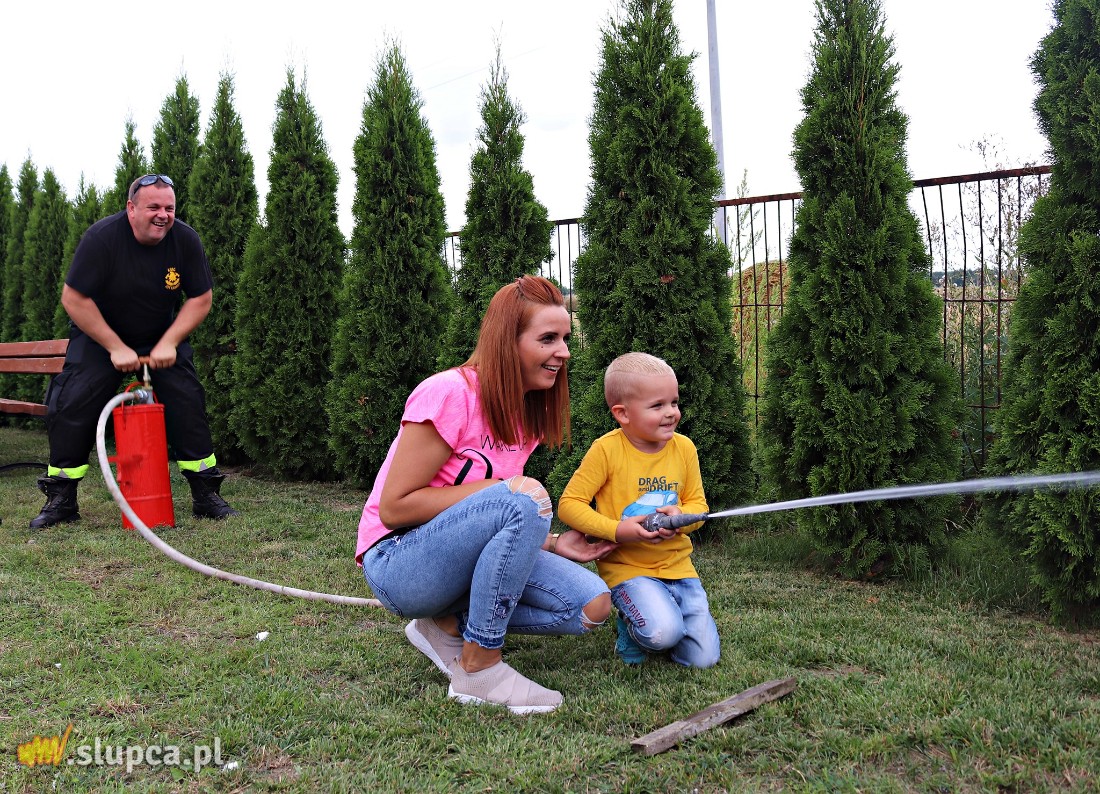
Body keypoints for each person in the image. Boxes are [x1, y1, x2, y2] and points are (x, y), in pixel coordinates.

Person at [357, 275, 617, 715]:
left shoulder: (524, 412)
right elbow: (396, 506)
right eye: (548, 338)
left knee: (589, 605)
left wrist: (553, 542)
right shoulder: (449, 392)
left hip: (455, 557)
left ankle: (444, 626)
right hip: (398, 560)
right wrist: (505, 491)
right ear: (506, 342)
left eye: (566, 338)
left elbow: (495, 520)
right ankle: (479, 666)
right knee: (523, 495)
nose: (565, 353)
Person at [30, 173, 238, 529]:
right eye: (153, 207)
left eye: (169, 208)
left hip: (159, 337)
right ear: (131, 208)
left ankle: (206, 494)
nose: (163, 215)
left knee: (187, 399)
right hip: (100, 338)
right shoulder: (102, 239)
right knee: (71, 402)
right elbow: (74, 298)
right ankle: (62, 499)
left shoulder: (185, 240)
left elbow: (201, 298)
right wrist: (114, 346)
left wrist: (170, 342)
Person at [558, 352, 720, 668]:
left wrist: (682, 520)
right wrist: (619, 530)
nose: (671, 413)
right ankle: (634, 627)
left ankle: (661, 614)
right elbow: (569, 505)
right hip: (628, 570)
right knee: (661, 634)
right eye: (657, 406)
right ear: (623, 413)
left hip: (679, 568)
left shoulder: (684, 448)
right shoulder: (606, 450)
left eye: (673, 402)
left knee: (702, 659)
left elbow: (698, 505)